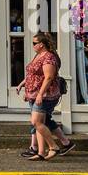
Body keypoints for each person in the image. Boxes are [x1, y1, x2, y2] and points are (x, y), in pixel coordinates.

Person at [17, 32, 64, 161]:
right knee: (40, 123)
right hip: (34, 94)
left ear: (41, 44)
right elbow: (32, 74)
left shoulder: (49, 58)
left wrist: (40, 94)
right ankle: (41, 152)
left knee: (36, 122)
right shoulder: (38, 56)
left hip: (45, 95)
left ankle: (54, 147)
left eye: (34, 43)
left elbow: (48, 77)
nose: (33, 45)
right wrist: (23, 84)